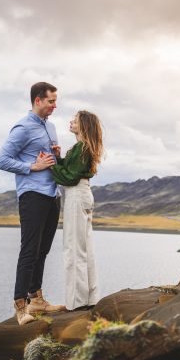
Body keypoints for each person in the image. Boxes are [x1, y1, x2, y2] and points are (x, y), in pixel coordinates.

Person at [0, 81, 67, 325]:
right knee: (29, 250)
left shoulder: (52, 127)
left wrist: (56, 156)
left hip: (52, 195)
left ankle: (37, 300)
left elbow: (51, 161)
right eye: (51, 101)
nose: (54, 106)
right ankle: (20, 306)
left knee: (43, 250)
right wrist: (31, 166)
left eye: (55, 101)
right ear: (38, 100)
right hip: (32, 195)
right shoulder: (23, 127)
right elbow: (2, 160)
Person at [50, 110, 104, 310]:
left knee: (73, 248)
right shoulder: (82, 147)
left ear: (84, 125)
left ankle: (76, 303)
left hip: (76, 195)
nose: (71, 121)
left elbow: (69, 177)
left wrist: (50, 166)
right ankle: (90, 298)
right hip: (83, 194)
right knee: (85, 248)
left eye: (75, 120)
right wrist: (59, 159)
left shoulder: (81, 148)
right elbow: (73, 170)